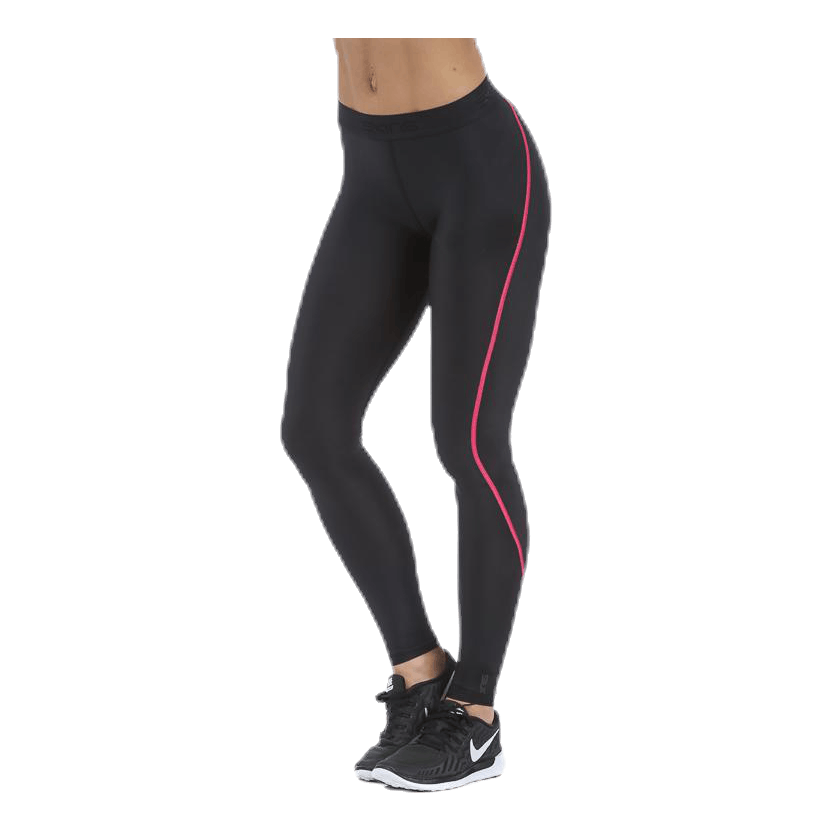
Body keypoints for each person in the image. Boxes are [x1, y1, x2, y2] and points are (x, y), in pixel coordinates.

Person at [280, 38, 551, 792]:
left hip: (477, 169)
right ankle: (422, 671)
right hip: (370, 171)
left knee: (469, 442)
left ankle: (477, 714)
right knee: (314, 432)